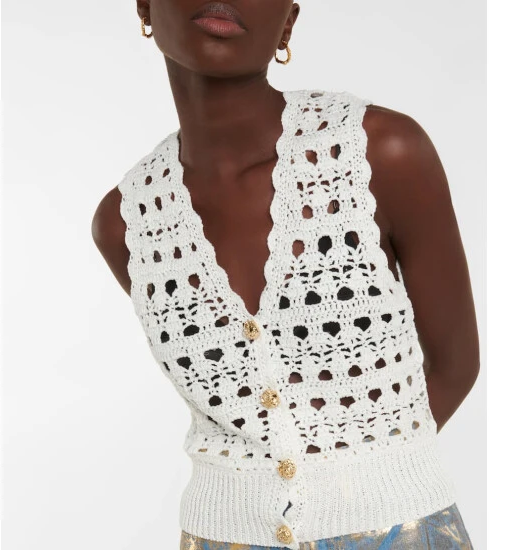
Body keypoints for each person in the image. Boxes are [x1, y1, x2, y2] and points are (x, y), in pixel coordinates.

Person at [91, 1, 479, 548]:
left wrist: (364, 481)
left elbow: (456, 366)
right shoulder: (127, 222)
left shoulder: (376, 151)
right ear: (144, 6)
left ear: (288, 24)